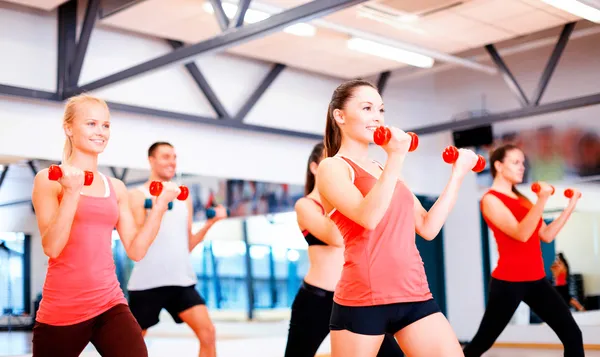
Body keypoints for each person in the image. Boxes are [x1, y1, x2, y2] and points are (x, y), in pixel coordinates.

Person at [316, 79, 480, 357]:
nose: (377, 118)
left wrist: (458, 175)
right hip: (363, 299)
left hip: (414, 293)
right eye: (367, 108)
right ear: (339, 116)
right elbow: (368, 217)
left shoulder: (385, 168)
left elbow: (428, 227)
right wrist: (395, 156)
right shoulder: (332, 168)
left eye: (380, 110)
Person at [31, 94, 182, 357]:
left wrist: (158, 207)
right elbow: (52, 247)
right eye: (91, 124)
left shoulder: (117, 188)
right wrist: (71, 193)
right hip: (62, 310)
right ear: (69, 128)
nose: (100, 132)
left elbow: (136, 250)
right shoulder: (48, 180)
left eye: (105, 125)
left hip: (109, 303)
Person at [283, 142, 404, 357]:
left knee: (392, 354)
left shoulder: (353, 204)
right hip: (316, 300)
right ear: (314, 168)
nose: (337, 167)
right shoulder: (305, 205)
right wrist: (338, 198)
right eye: (330, 161)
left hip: (354, 298)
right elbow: (336, 237)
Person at [462, 144, 584, 357]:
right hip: (509, 282)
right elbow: (521, 233)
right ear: (498, 166)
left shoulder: (523, 200)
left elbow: (545, 235)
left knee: (573, 334)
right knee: (482, 343)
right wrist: (543, 199)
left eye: (523, 163)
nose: (522, 167)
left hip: (536, 280)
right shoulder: (491, 199)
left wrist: (570, 206)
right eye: (516, 162)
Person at [127, 142, 227, 357]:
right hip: (147, 283)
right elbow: (136, 243)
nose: (172, 162)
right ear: (151, 160)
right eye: (165, 157)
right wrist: (157, 206)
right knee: (132, 346)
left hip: (180, 281)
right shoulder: (137, 195)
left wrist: (210, 224)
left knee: (208, 333)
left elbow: (187, 244)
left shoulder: (184, 197)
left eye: (174, 157)